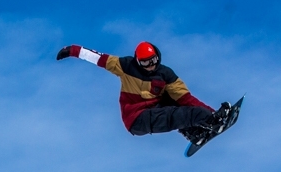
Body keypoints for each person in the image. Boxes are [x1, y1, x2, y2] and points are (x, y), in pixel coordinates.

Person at [56, 41, 232, 146]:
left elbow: (186, 98)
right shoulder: (125, 66)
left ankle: (196, 130)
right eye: (145, 63)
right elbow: (97, 58)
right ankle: (209, 121)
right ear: (138, 61)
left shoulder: (166, 75)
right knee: (173, 113)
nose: (150, 66)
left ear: (158, 57)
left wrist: (210, 111)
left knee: (175, 101)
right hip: (136, 118)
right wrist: (71, 50)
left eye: (153, 61)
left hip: (154, 109)